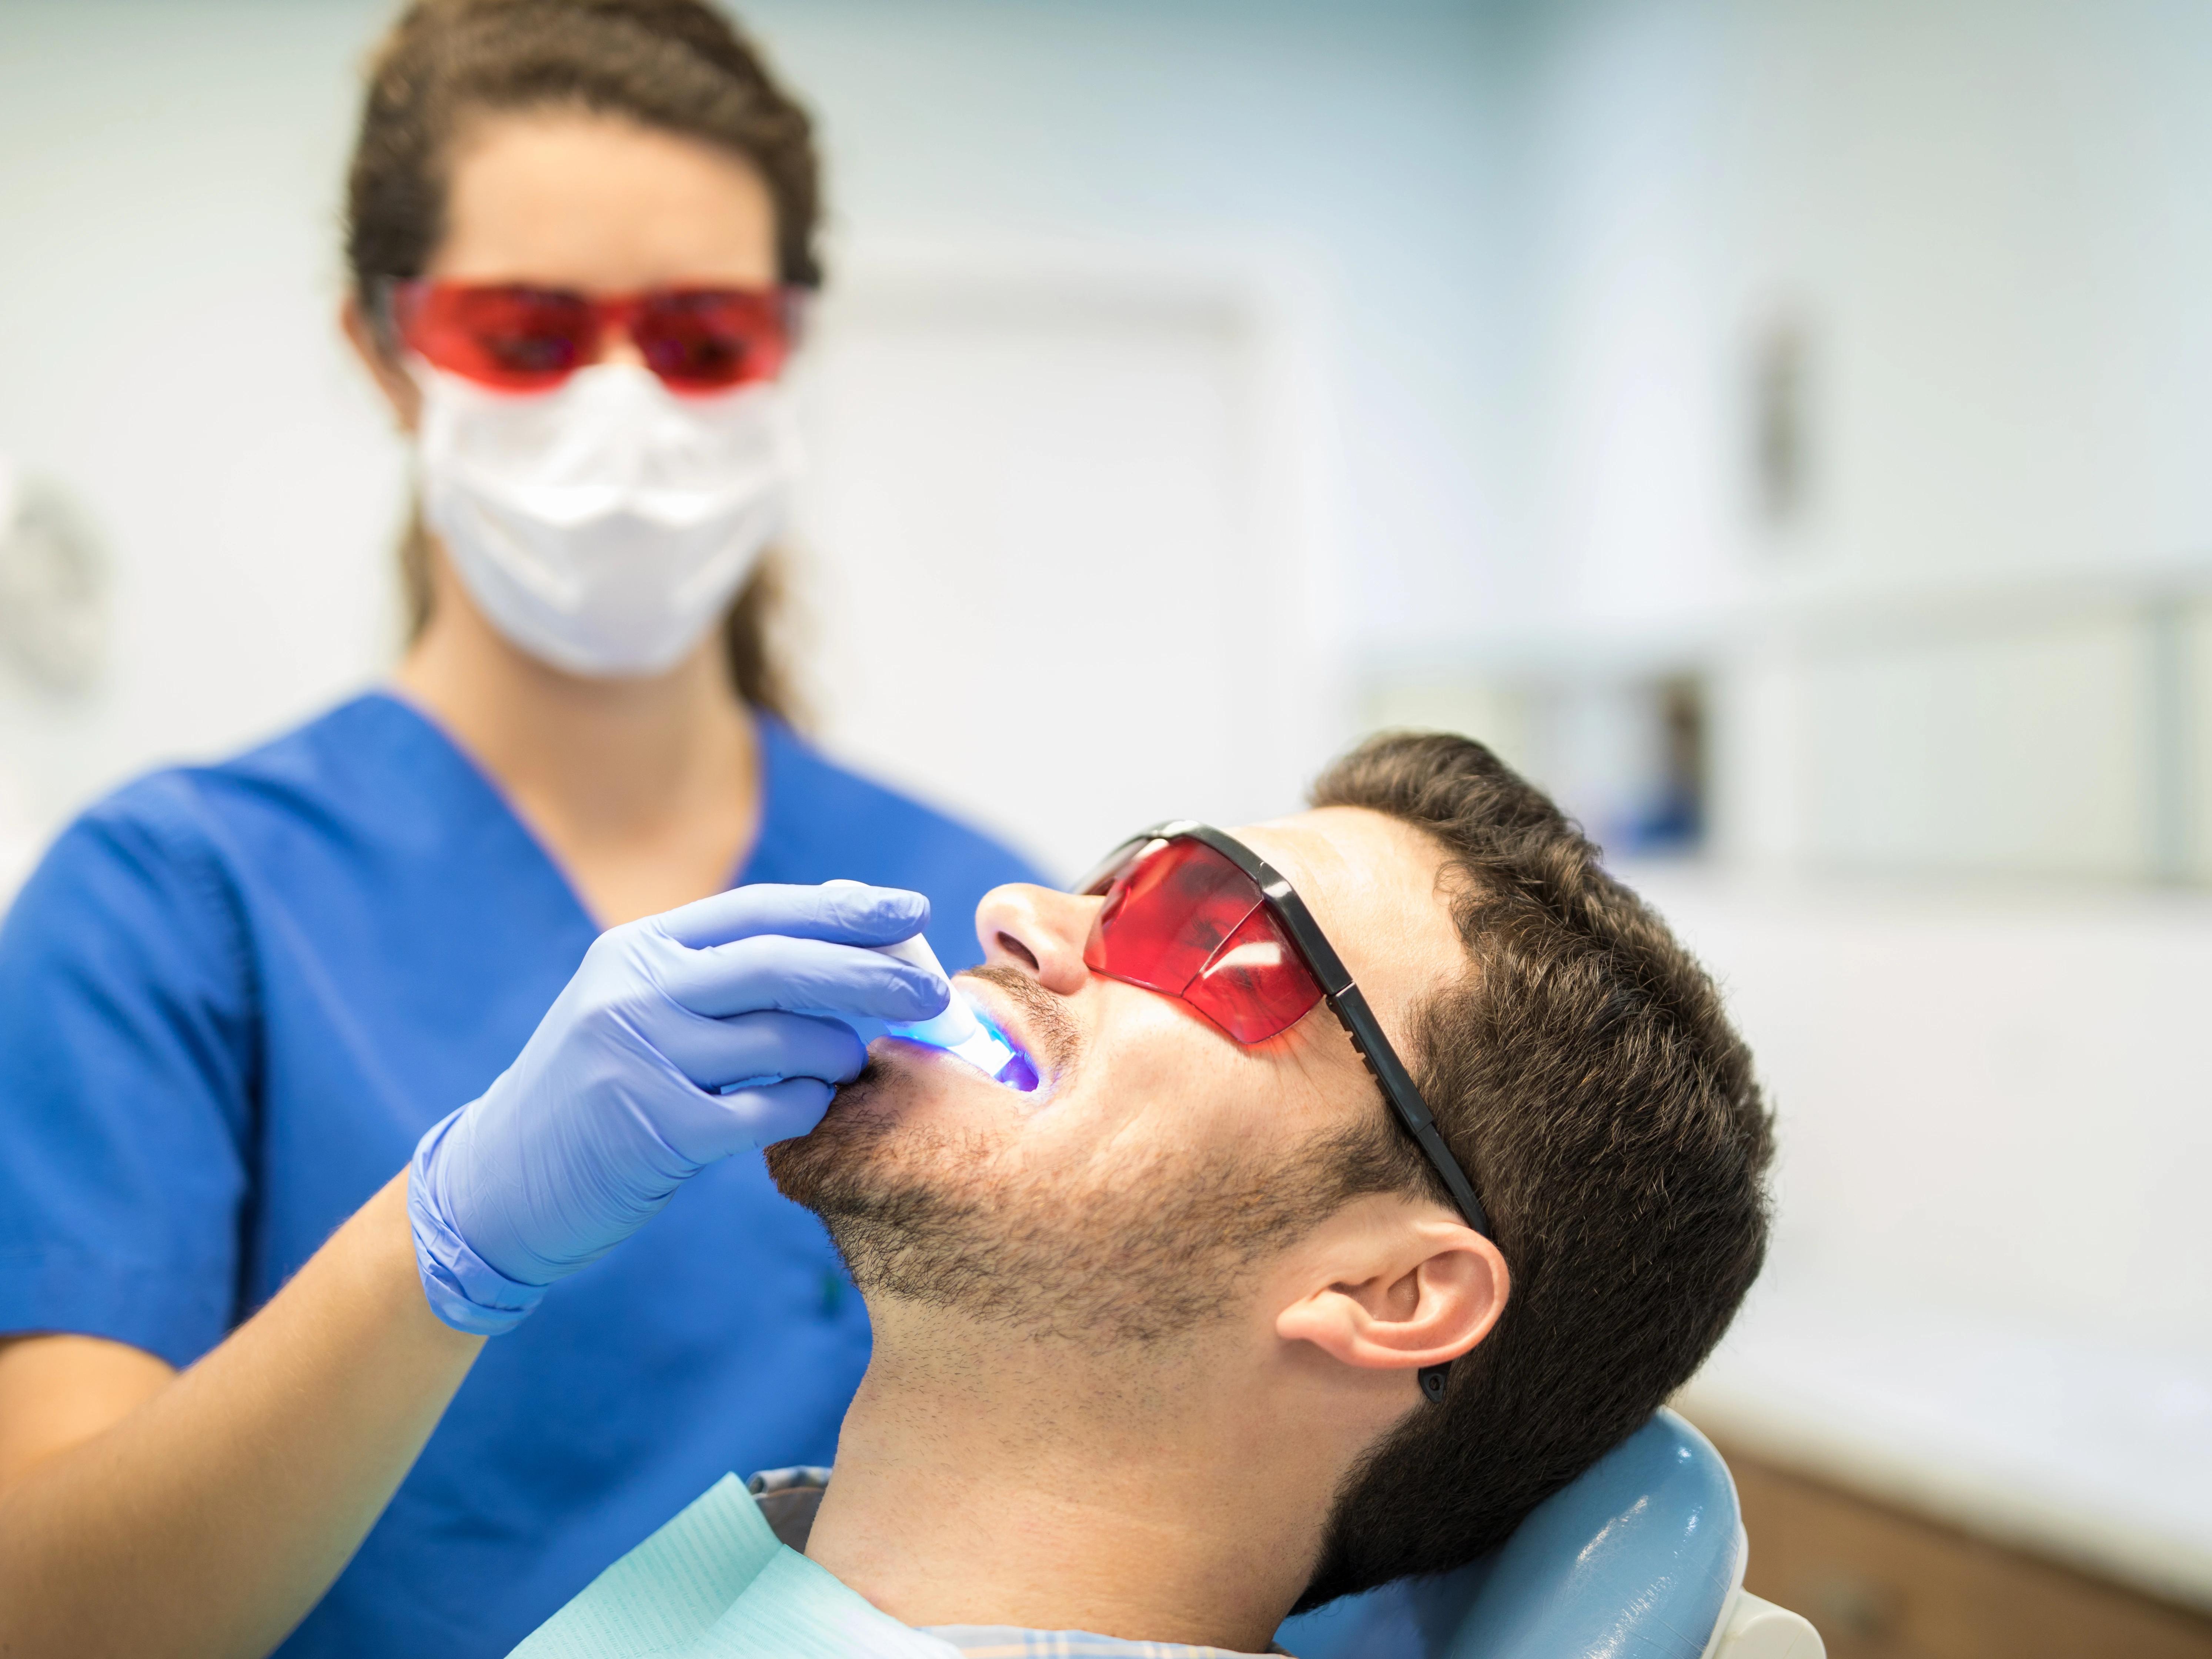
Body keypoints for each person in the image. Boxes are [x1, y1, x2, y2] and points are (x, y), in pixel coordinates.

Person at [0, 4, 1041, 1656]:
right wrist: (446, 1248)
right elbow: (49, 1613)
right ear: (380, 345)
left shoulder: (971, 905)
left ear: (792, 344)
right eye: (530, 335)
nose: (622, 406)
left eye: (701, 338)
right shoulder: (172, 904)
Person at [510, 731, 1777, 1658]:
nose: (1016, 913)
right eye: (1118, 878)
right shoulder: (753, 1583)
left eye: (1211, 928)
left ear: (1389, 1291)